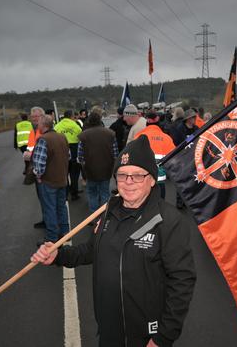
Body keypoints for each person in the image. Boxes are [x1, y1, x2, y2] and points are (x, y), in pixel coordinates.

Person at [31, 135, 196, 347]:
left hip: (146, 334)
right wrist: (58, 254)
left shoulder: (169, 221)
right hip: (109, 326)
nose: (128, 182)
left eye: (137, 175)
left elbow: (182, 282)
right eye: (122, 175)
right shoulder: (108, 211)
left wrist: (163, 336)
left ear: (152, 179)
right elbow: (91, 250)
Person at [32, 114, 70, 243]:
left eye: (39, 124)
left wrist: (37, 176)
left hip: (48, 181)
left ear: (44, 125)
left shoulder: (43, 139)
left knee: (50, 209)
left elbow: (39, 164)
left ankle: (51, 238)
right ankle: (65, 233)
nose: (37, 125)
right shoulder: (62, 137)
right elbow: (68, 156)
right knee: (61, 208)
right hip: (62, 179)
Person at [77, 111, 118, 213]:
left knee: (92, 193)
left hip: (90, 169)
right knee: (105, 193)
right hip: (106, 168)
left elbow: (80, 156)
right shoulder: (110, 134)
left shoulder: (83, 136)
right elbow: (115, 154)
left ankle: (94, 216)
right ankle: (104, 216)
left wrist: (84, 165)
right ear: (100, 120)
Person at [134, 111, 175, 199]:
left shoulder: (138, 136)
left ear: (147, 122)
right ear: (158, 122)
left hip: (142, 180)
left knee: (144, 206)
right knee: (159, 205)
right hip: (159, 180)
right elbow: (173, 159)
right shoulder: (166, 138)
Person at [170, 109, 199, 209]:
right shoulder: (180, 129)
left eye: (195, 117)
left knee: (192, 180)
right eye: (192, 117)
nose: (194, 119)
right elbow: (177, 143)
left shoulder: (196, 128)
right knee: (182, 179)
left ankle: (189, 201)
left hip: (193, 157)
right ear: (187, 119)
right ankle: (179, 201)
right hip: (181, 158)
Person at [55, 110, 83, 201]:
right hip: (74, 150)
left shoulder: (57, 126)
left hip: (61, 150)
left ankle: (65, 194)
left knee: (64, 174)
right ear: (71, 116)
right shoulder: (76, 126)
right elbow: (81, 138)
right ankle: (74, 193)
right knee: (74, 174)